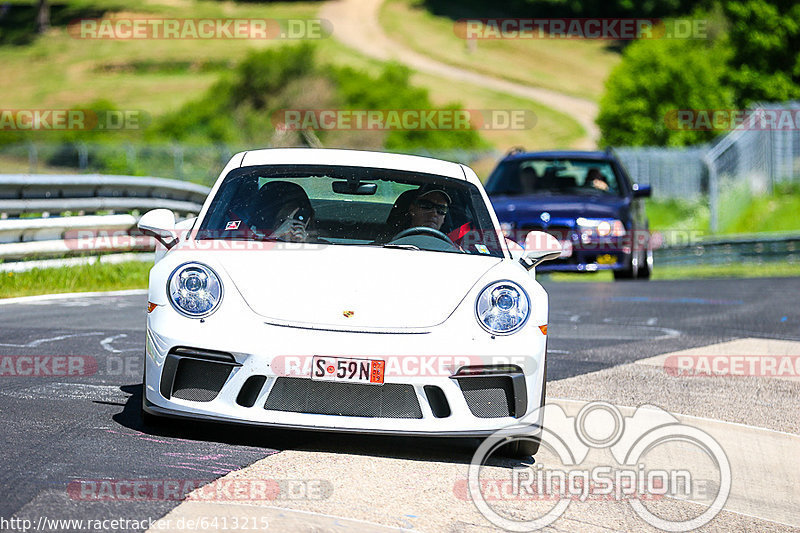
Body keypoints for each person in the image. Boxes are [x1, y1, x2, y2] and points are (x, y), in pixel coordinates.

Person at [249, 181, 314, 242]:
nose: (289, 228)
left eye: (296, 223)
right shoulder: (250, 235)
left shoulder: (318, 244)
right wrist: (275, 236)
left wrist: (302, 244)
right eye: (283, 222)